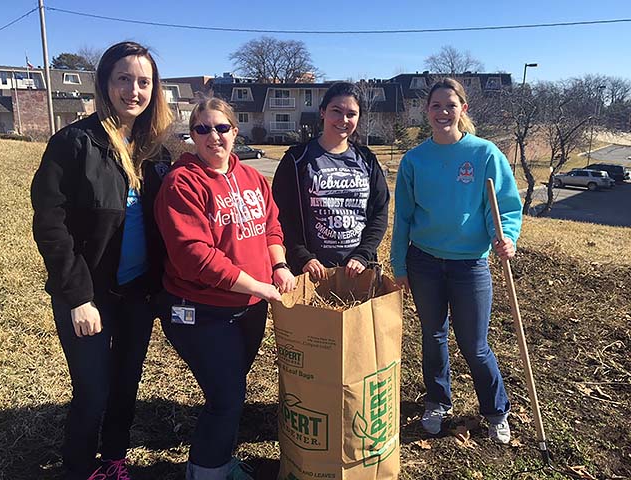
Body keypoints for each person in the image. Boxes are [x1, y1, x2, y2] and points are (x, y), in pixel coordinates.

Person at [31, 41, 173, 479]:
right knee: (93, 392)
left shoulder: (156, 152)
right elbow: (50, 224)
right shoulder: (74, 142)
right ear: (105, 84)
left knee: (126, 386)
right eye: (124, 79)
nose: (134, 90)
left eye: (144, 81)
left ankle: (114, 461)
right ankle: (77, 469)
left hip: (137, 293)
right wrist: (77, 296)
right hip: (87, 293)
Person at [154, 97, 295, 480]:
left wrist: (278, 265)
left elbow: (271, 226)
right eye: (202, 129)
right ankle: (207, 471)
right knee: (226, 398)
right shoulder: (181, 183)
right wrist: (259, 286)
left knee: (231, 390)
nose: (212, 136)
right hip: (199, 309)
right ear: (191, 136)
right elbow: (193, 256)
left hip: (249, 307)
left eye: (220, 128)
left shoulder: (252, 178)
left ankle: (219, 460)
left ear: (235, 131)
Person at [390, 77, 522, 444]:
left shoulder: (484, 154)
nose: (443, 112)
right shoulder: (415, 160)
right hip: (425, 262)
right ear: (426, 111)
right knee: (433, 338)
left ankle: (495, 410)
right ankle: (437, 400)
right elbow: (402, 218)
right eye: (436, 106)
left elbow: (505, 206)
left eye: (450, 105)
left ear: (463, 110)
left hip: (470, 265)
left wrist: (506, 236)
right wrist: (399, 265)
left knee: (474, 344)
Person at [272, 82, 389, 280]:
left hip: (358, 271)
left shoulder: (366, 159)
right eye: (336, 111)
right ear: (322, 112)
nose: (343, 119)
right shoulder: (297, 159)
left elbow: (380, 211)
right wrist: (303, 257)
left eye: (351, 114)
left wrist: (363, 255)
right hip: (310, 272)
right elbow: (280, 214)